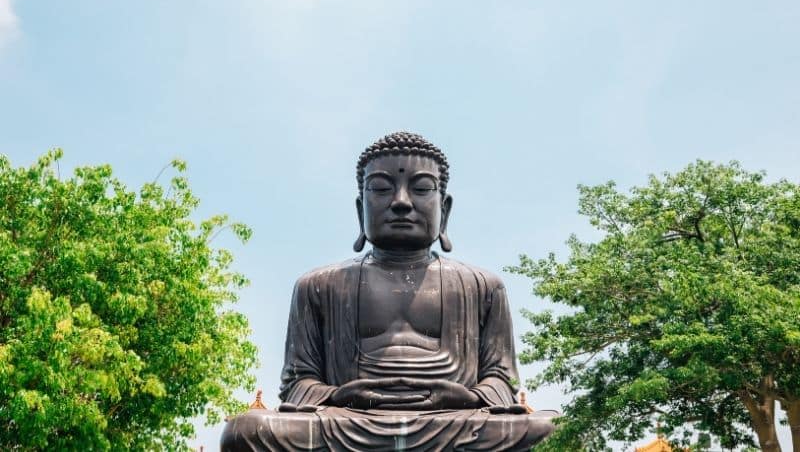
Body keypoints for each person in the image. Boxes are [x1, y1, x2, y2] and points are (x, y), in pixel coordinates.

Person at [221, 132, 556, 451]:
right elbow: (298, 384)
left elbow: (501, 382)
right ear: (359, 209)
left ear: (446, 209)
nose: (400, 202)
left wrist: (464, 398)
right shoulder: (319, 285)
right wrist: (341, 397)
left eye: (422, 189)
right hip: (351, 422)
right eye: (380, 189)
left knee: (554, 432)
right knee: (247, 430)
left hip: (453, 421)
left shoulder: (483, 286)